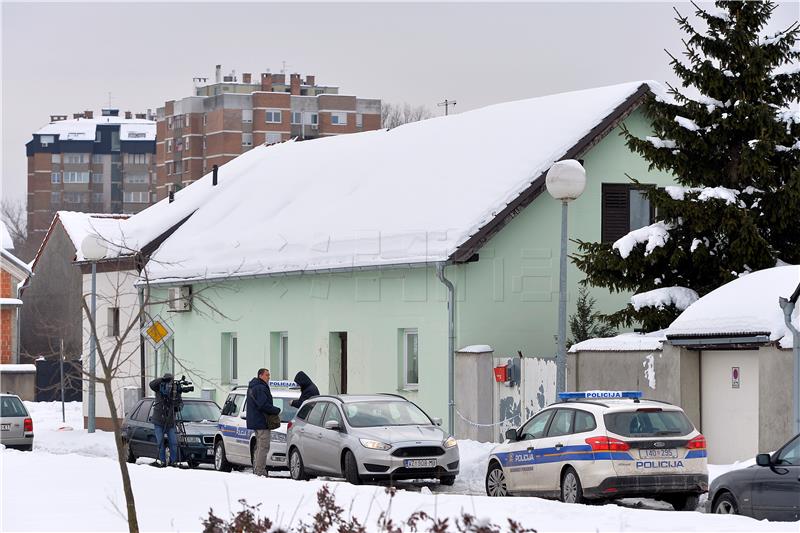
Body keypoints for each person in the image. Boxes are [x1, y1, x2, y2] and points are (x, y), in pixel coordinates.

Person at [247, 368, 281, 477]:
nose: (269, 377)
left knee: (259, 447)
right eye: (267, 375)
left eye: (269, 375)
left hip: (256, 421)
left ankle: (257, 469)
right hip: (262, 421)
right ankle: (260, 471)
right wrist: (276, 410)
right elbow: (263, 405)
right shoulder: (260, 388)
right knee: (263, 447)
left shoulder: (254, 386)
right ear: (260, 375)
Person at [149, 373, 181, 467]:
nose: (169, 385)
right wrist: (162, 379)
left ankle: (173, 462)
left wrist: (177, 406)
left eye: (171, 382)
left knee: (174, 442)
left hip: (171, 421)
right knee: (160, 443)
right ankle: (162, 461)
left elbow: (180, 403)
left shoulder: (175, 391)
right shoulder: (159, 388)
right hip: (158, 420)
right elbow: (151, 384)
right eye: (168, 382)